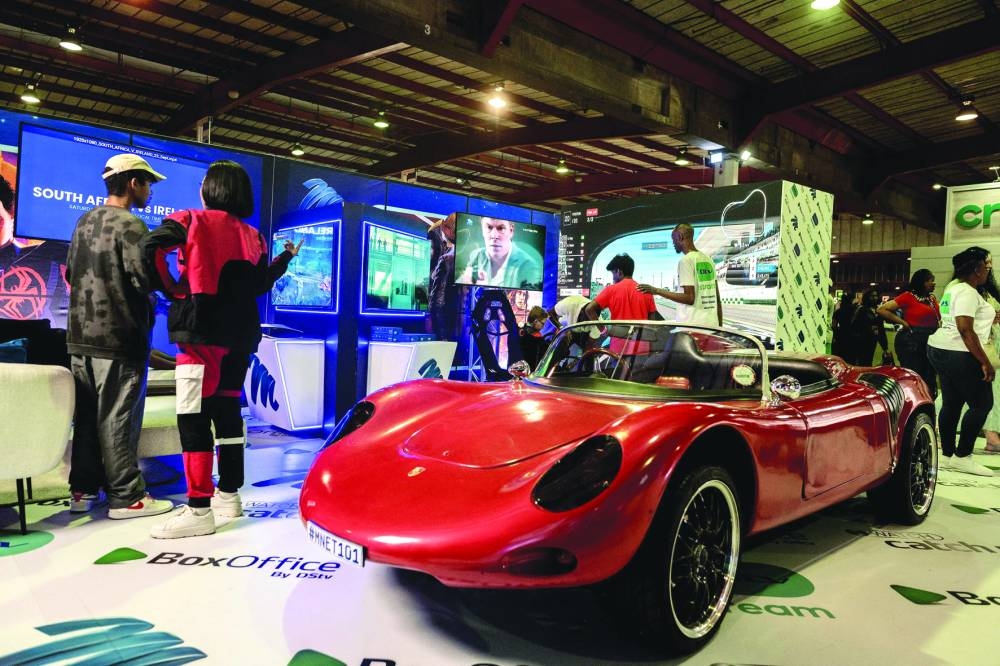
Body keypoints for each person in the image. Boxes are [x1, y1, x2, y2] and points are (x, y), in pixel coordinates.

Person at [142, 160, 301, 538]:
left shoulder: (189, 220)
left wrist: (172, 289)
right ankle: (228, 494)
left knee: (193, 416)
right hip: (242, 336)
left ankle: (198, 509)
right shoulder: (254, 236)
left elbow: (151, 248)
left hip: (201, 333)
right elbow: (260, 283)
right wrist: (286, 259)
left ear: (210, 188)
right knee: (228, 410)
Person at [65, 153, 174, 519]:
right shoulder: (133, 226)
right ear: (133, 183)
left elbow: (69, 274)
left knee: (86, 418)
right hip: (119, 338)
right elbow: (143, 280)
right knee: (118, 417)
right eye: (148, 183)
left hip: (80, 337)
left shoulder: (84, 221)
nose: (151, 191)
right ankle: (127, 497)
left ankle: (82, 491)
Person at [927, 247, 995, 476]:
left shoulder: (953, 287)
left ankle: (947, 455)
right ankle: (963, 456)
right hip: (959, 351)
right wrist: (984, 361)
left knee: (952, 403)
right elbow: (965, 329)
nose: (988, 270)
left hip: (941, 348)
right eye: (986, 267)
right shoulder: (966, 291)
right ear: (976, 269)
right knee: (982, 404)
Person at [637, 223, 722, 326]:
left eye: (673, 239)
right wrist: (720, 327)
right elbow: (717, 299)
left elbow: (689, 298)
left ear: (680, 237)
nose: (673, 243)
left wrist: (656, 290)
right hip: (712, 325)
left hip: (692, 327)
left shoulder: (686, 261)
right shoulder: (708, 260)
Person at [876, 269, 940, 397]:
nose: (934, 283)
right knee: (914, 376)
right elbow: (882, 309)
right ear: (922, 282)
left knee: (929, 377)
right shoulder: (908, 296)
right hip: (912, 341)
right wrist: (903, 322)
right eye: (930, 280)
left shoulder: (932, 299)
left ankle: (927, 403)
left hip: (930, 340)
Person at [458, 217, 540, 289]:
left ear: (511, 231)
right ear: (482, 230)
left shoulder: (528, 266)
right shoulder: (476, 255)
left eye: (501, 228)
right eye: (489, 227)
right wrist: (465, 282)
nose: (494, 235)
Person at [584, 253, 657, 322]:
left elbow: (589, 309)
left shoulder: (610, 290)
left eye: (613, 273)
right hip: (641, 335)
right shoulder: (646, 291)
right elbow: (652, 324)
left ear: (619, 272)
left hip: (617, 335)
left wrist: (603, 331)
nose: (613, 277)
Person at [426, 213, 459, 340]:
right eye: (454, 233)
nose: (457, 237)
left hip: (450, 294)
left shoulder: (454, 238)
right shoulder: (434, 235)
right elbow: (432, 271)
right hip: (439, 296)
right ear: (446, 228)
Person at [845, 288, 889, 366]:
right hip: (860, 342)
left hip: (872, 342)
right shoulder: (860, 310)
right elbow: (853, 326)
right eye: (872, 296)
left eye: (875, 296)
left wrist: (885, 347)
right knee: (860, 364)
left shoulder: (878, 311)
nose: (874, 298)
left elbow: (881, 329)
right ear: (867, 297)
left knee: (868, 362)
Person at [831, 289, 860, 360]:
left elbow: (834, 326)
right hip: (853, 338)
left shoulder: (838, 312)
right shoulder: (855, 311)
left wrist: (836, 335)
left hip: (840, 337)